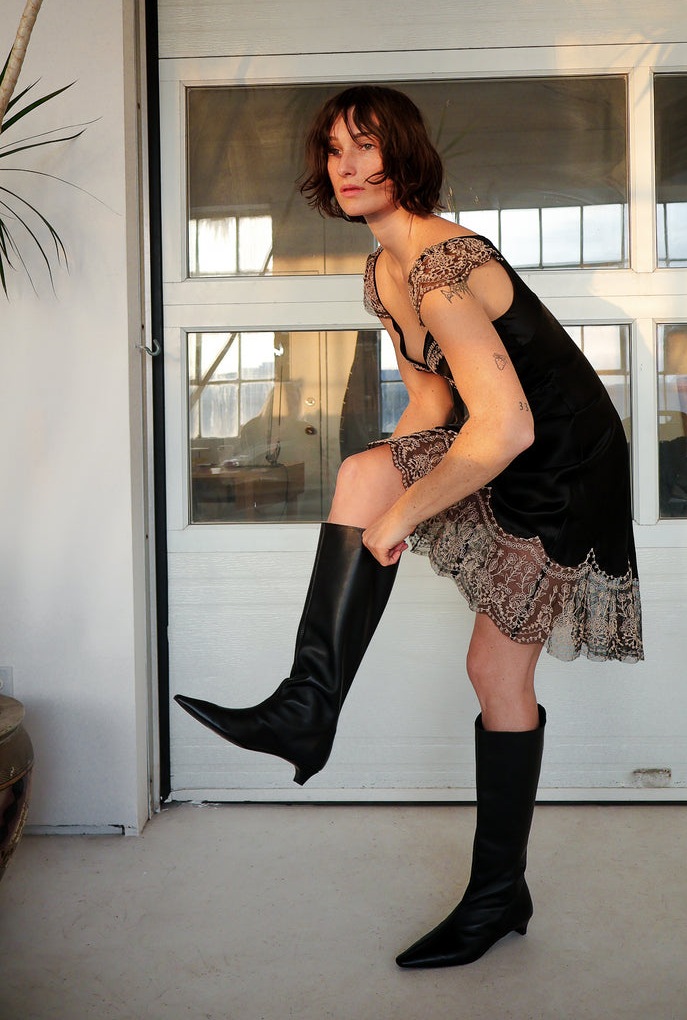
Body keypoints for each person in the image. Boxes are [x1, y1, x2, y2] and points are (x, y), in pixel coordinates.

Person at [176, 84, 643, 970]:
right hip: (502, 439)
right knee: (360, 470)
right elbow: (433, 400)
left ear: (405, 156)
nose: (346, 166)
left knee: (489, 667)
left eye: (367, 146)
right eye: (333, 150)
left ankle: (498, 894)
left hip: (564, 466)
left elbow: (506, 426)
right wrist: (383, 489)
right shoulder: (384, 269)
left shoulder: (443, 261)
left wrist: (400, 515)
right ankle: (308, 708)